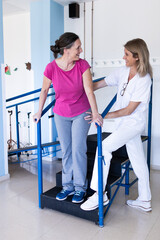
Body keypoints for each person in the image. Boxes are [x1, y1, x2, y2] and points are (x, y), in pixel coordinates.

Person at [80, 38, 152, 212]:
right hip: (123, 123)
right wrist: (83, 88)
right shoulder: (122, 71)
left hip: (133, 124)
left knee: (103, 147)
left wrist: (102, 115)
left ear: (137, 56)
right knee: (138, 159)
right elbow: (100, 84)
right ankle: (145, 199)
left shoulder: (144, 79)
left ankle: (99, 195)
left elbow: (128, 110)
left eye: (127, 54)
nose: (123, 57)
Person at [33, 32, 103, 204]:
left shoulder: (82, 65)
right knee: (66, 150)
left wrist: (95, 113)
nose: (81, 50)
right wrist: (39, 111)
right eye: (77, 47)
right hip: (61, 113)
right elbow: (43, 91)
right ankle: (67, 186)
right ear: (66, 50)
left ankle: (80, 188)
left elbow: (88, 89)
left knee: (78, 149)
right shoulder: (51, 67)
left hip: (81, 112)